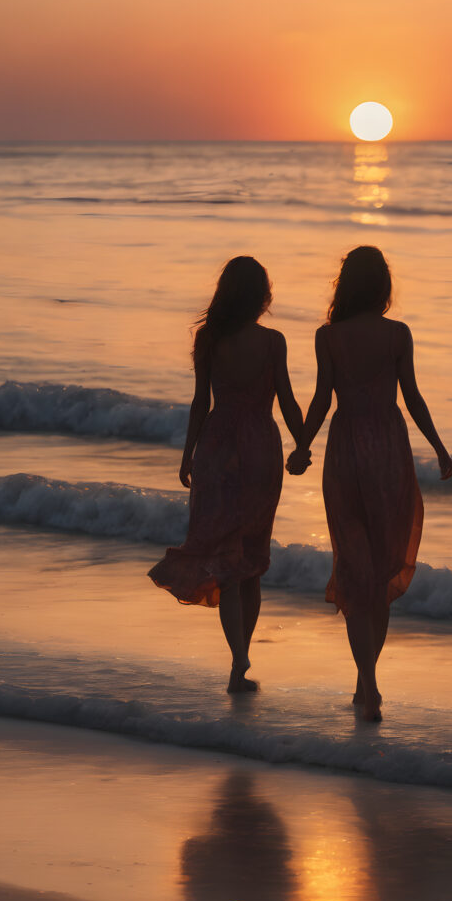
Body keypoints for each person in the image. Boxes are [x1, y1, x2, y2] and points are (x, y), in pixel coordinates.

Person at [287, 246, 452, 721]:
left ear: (346, 285)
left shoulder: (329, 337)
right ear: (382, 287)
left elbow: (321, 398)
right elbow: (414, 398)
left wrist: (301, 446)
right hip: (387, 449)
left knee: (354, 567)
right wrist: (439, 448)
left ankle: (368, 682)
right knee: (380, 569)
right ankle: (368, 681)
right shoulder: (398, 334)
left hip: (344, 451)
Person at [149, 256, 305, 693]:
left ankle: (239, 657)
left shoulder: (210, 338)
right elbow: (288, 402)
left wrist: (188, 455)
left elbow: (201, 402)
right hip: (259, 449)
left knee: (226, 562)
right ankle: (241, 660)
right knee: (251, 562)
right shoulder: (273, 342)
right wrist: (303, 443)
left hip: (217, 449)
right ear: (262, 297)